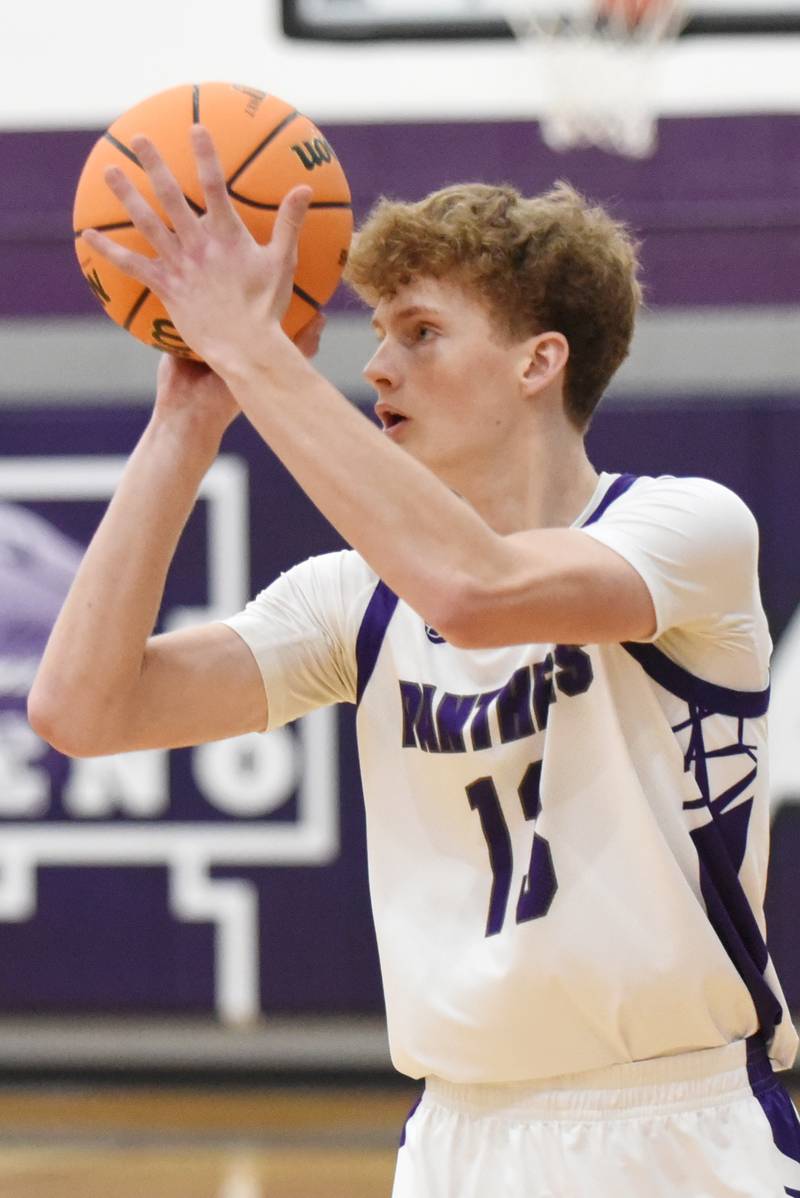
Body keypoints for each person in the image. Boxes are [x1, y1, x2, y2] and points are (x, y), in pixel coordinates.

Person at [28, 126, 800, 1196]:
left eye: (421, 331)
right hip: (456, 1139)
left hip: (672, 1133)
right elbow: (80, 709)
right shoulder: (353, 596)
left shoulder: (685, 530)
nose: (375, 365)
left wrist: (255, 353)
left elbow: (476, 595)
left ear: (539, 359)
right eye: (377, 331)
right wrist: (184, 423)